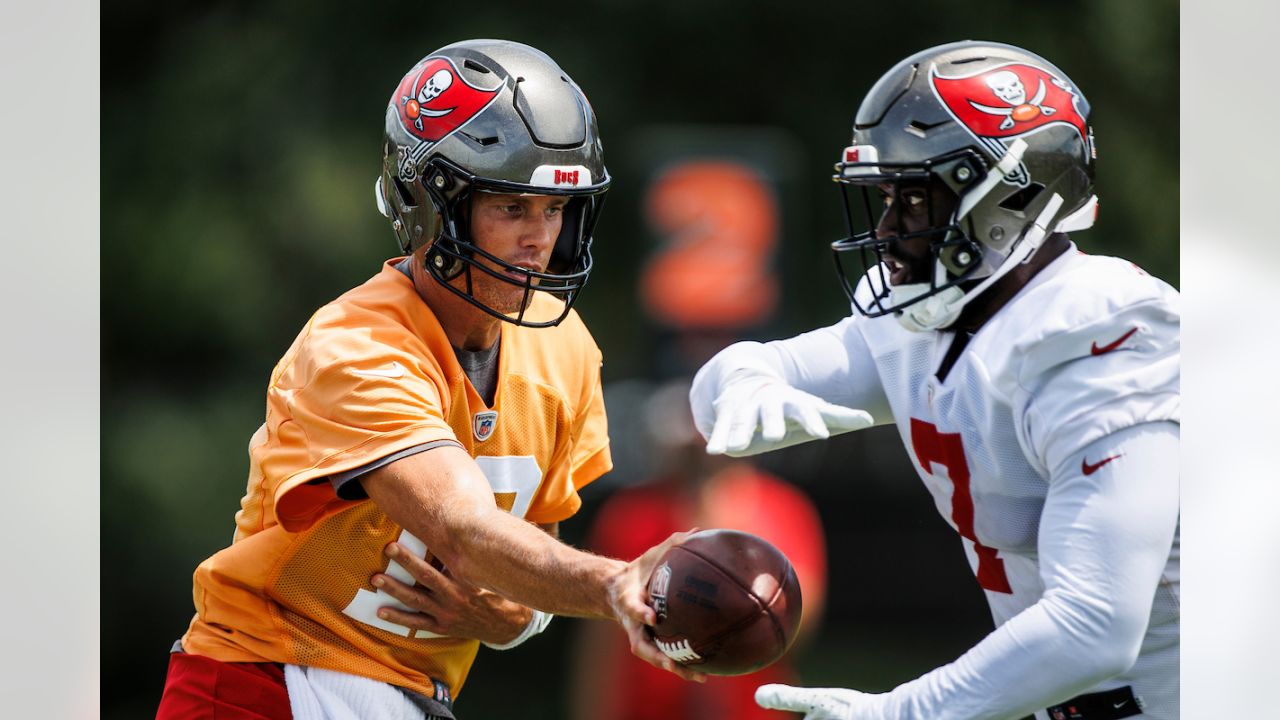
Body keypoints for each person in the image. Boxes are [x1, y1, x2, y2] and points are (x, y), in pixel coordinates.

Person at [155, 39, 703, 720]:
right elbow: (461, 527)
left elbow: (529, 562)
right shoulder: (355, 343)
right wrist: (617, 581)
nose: (540, 239)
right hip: (271, 678)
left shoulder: (565, 350)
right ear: (431, 205)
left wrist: (518, 618)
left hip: (410, 696)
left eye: (555, 210)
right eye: (512, 208)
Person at [690, 41, 1179, 720]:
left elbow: (1096, 623)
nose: (888, 229)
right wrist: (736, 383)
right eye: (888, 197)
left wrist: (903, 712)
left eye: (915, 199)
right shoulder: (928, 316)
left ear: (1011, 194)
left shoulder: (1105, 339)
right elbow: (751, 374)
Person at [570, 379, 828, 720]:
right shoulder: (630, 513)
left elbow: (798, 623)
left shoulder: (783, 506)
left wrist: (720, 520)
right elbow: (601, 637)